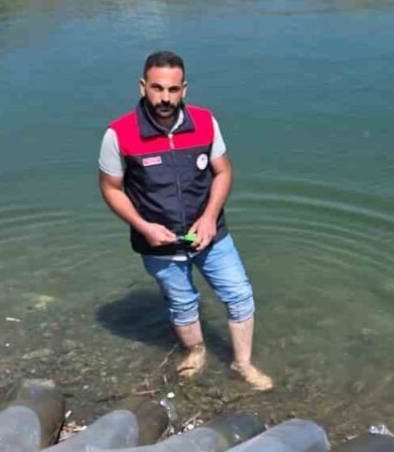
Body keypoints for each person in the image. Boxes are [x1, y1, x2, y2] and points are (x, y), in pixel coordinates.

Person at [98, 50, 273, 391]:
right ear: (142, 86)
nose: (165, 98)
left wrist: (209, 218)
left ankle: (242, 364)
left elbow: (222, 172)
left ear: (185, 89)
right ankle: (196, 352)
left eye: (173, 90)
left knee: (239, 296)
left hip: (210, 234)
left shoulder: (206, 122)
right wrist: (144, 226)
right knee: (182, 303)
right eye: (157, 88)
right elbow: (110, 188)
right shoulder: (118, 134)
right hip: (157, 240)